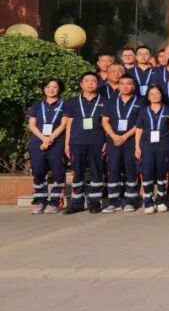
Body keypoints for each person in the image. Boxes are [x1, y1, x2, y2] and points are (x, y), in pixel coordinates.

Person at [62, 72, 108, 214]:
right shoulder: (72, 102)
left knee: (96, 172)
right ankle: (77, 203)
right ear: (81, 84)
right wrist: (67, 143)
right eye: (86, 81)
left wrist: (106, 141)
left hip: (97, 142)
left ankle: (95, 203)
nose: (90, 83)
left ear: (98, 83)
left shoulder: (105, 101)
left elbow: (107, 123)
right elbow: (69, 124)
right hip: (77, 142)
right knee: (77, 173)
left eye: (93, 81)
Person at [101, 74, 142, 212]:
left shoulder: (140, 102)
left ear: (133, 86)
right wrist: (114, 136)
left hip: (131, 141)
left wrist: (125, 136)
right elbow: (105, 121)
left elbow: (140, 124)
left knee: (131, 171)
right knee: (113, 170)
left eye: (128, 83)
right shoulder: (110, 102)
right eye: (122, 83)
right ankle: (114, 202)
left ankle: (130, 201)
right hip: (114, 142)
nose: (125, 86)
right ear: (118, 86)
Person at [27, 78, 67, 214]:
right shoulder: (37, 105)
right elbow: (32, 124)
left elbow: (63, 124)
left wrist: (50, 138)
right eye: (48, 87)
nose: (51, 89)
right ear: (44, 89)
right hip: (37, 142)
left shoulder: (65, 105)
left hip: (57, 142)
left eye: (54, 87)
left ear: (59, 89)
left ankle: (55, 202)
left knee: (58, 172)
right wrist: (43, 138)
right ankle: (39, 201)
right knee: (38, 172)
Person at [134, 84, 169, 214]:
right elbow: (139, 129)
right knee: (147, 173)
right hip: (147, 146)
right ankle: (148, 201)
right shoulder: (143, 111)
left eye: (157, 93)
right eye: (152, 94)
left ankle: (161, 200)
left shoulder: (168, 110)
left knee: (162, 173)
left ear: (161, 95)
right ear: (148, 97)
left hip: (164, 145)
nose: (155, 96)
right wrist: (137, 147)